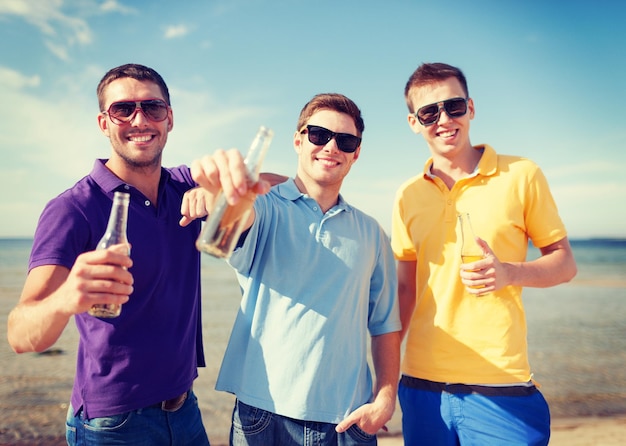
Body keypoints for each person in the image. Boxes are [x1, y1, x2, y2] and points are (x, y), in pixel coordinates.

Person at [7, 63, 211, 445]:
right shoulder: (73, 208)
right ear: (104, 123)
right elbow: (21, 335)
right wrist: (67, 298)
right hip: (114, 425)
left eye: (152, 107)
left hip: (186, 411)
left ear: (169, 118)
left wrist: (226, 190)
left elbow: (272, 184)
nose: (140, 119)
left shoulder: (185, 186)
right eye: (123, 109)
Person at [188, 93, 401, 445]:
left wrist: (385, 398)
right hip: (261, 416)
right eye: (318, 134)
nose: (331, 146)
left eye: (345, 141)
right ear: (298, 140)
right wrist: (220, 196)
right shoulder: (265, 206)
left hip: (347, 421)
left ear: (356, 153)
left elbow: (385, 324)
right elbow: (238, 218)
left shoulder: (372, 233)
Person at [391, 62, 578, 445]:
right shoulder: (406, 194)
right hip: (421, 386)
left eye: (453, 106)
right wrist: (382, 377)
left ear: (471, 109)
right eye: (429, 112)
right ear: (414, 123)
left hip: (501, 385)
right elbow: (404, 292)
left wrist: (510, 272)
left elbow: (565, 263)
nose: (443, 119)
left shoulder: (522, 174)